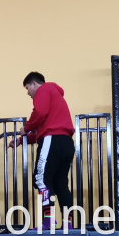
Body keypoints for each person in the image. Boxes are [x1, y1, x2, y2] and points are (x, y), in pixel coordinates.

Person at [15, 72, 76, 225]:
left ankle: (49, 219)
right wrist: (23, 140)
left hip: (52, 140)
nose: (28, 93)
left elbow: (40, 114)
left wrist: (26, 128)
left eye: (28, 88)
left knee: (41, 179)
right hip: (66, 142)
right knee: (60, 183)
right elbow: (44, 132)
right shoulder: (56, 96)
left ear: (34, 84)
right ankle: (67, 222)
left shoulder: (44, 90)